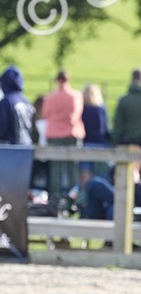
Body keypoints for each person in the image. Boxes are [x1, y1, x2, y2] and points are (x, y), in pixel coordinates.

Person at [42, 70, 85, 200]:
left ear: (57, 80)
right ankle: (74, 198)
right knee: (72, 169)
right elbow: (77, 114)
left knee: (55, 170)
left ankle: (55, 199)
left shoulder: (49, 98)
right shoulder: (75, 96)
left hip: (54, 135)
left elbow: (45, 114)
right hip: (71, 134)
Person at [0, 66, 35, 146]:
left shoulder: (6, 101)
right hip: (27, 146)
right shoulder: (27, 101)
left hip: (10, 148)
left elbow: (2, 127)